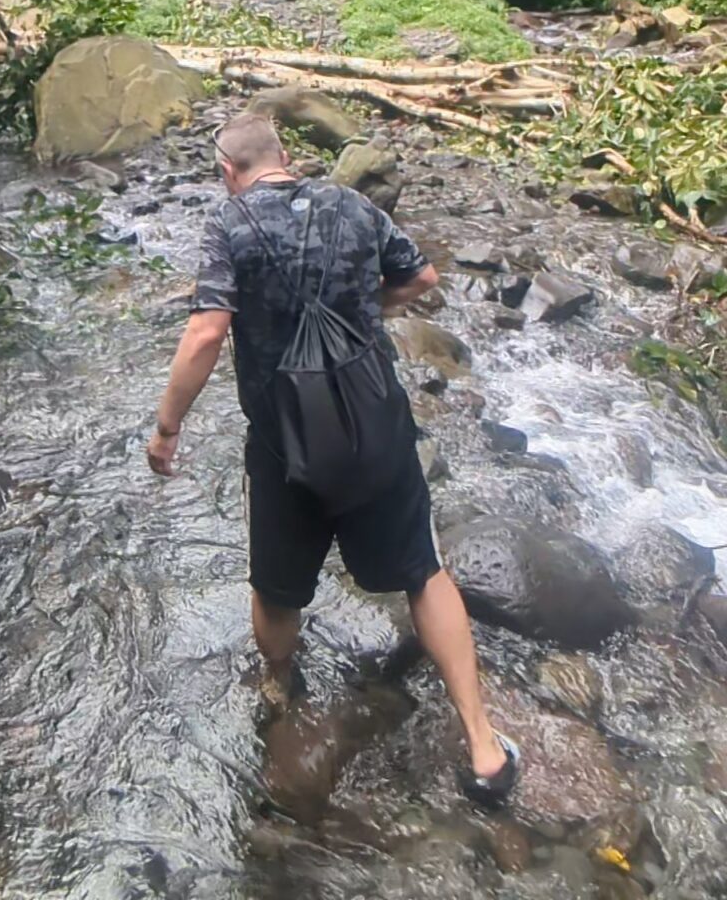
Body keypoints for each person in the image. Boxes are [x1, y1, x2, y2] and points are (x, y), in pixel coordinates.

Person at [147, 112, 519, 807]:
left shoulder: (229, 226)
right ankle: (483, 745)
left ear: (228, 172)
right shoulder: (353, 205)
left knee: (277, 586)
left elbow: (205, 331)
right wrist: (364, 310)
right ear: (286, 155)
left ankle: (281, 690)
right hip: (374, 423)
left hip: (286, 441)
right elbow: (423, 278)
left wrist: (168, 428)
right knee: (421, 571)